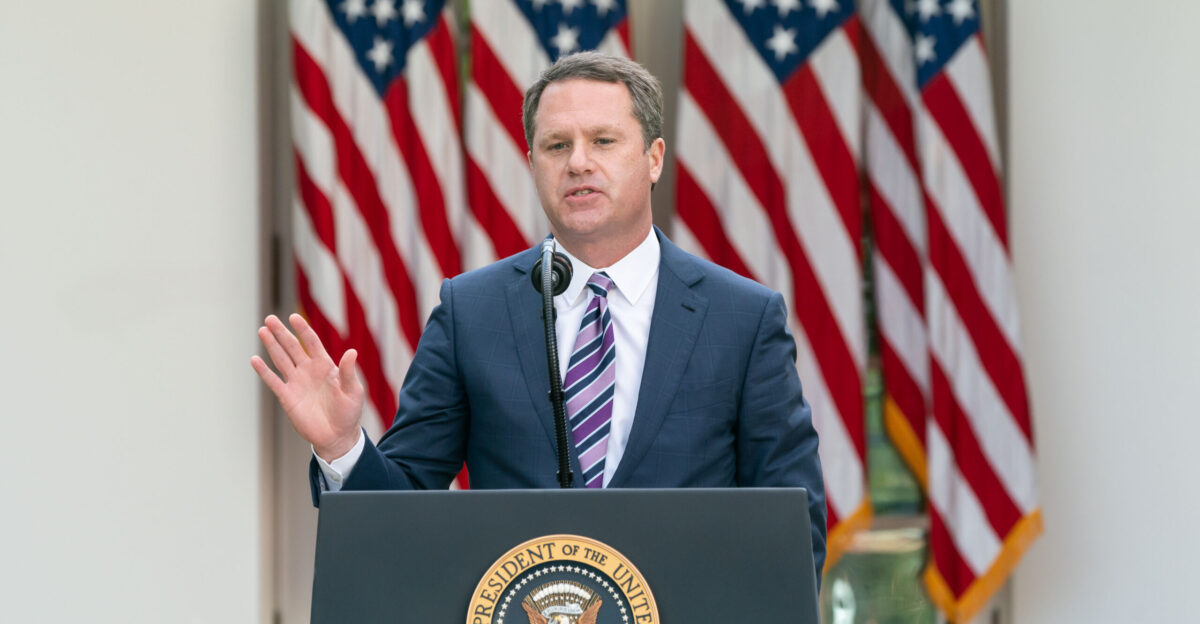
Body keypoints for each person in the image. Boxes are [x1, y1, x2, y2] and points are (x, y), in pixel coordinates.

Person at [252, 51, 827, 577]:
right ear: (532, 163)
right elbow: (401, 513)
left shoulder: (743, 319)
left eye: (603, 141)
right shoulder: (471, 312)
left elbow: (792, 530)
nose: (578, 162)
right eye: (556, 146)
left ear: (653, 158)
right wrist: (342, 448)